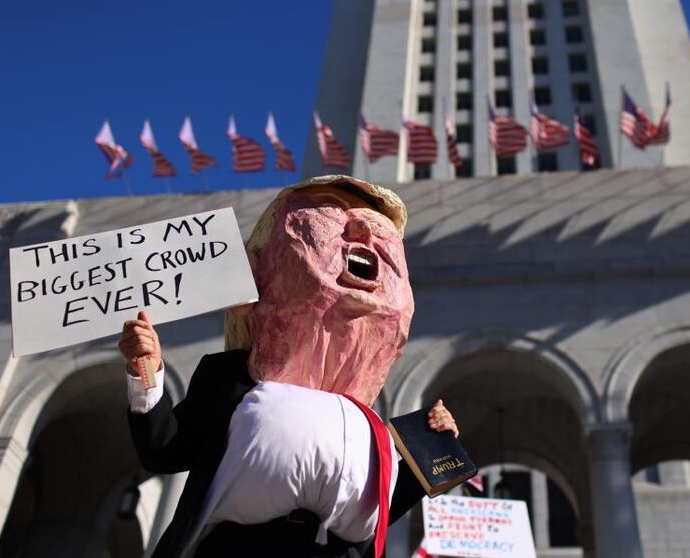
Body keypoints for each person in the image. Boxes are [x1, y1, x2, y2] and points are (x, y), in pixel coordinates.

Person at [119, 176, 460, 558]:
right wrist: (145, 371)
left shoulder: (366, 421)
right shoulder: (230, 379)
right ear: (255, 274)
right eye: (331, 211)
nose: (362, 228)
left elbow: (374, 511)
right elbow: (165, 449)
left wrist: (435, 445)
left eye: (377, 225)